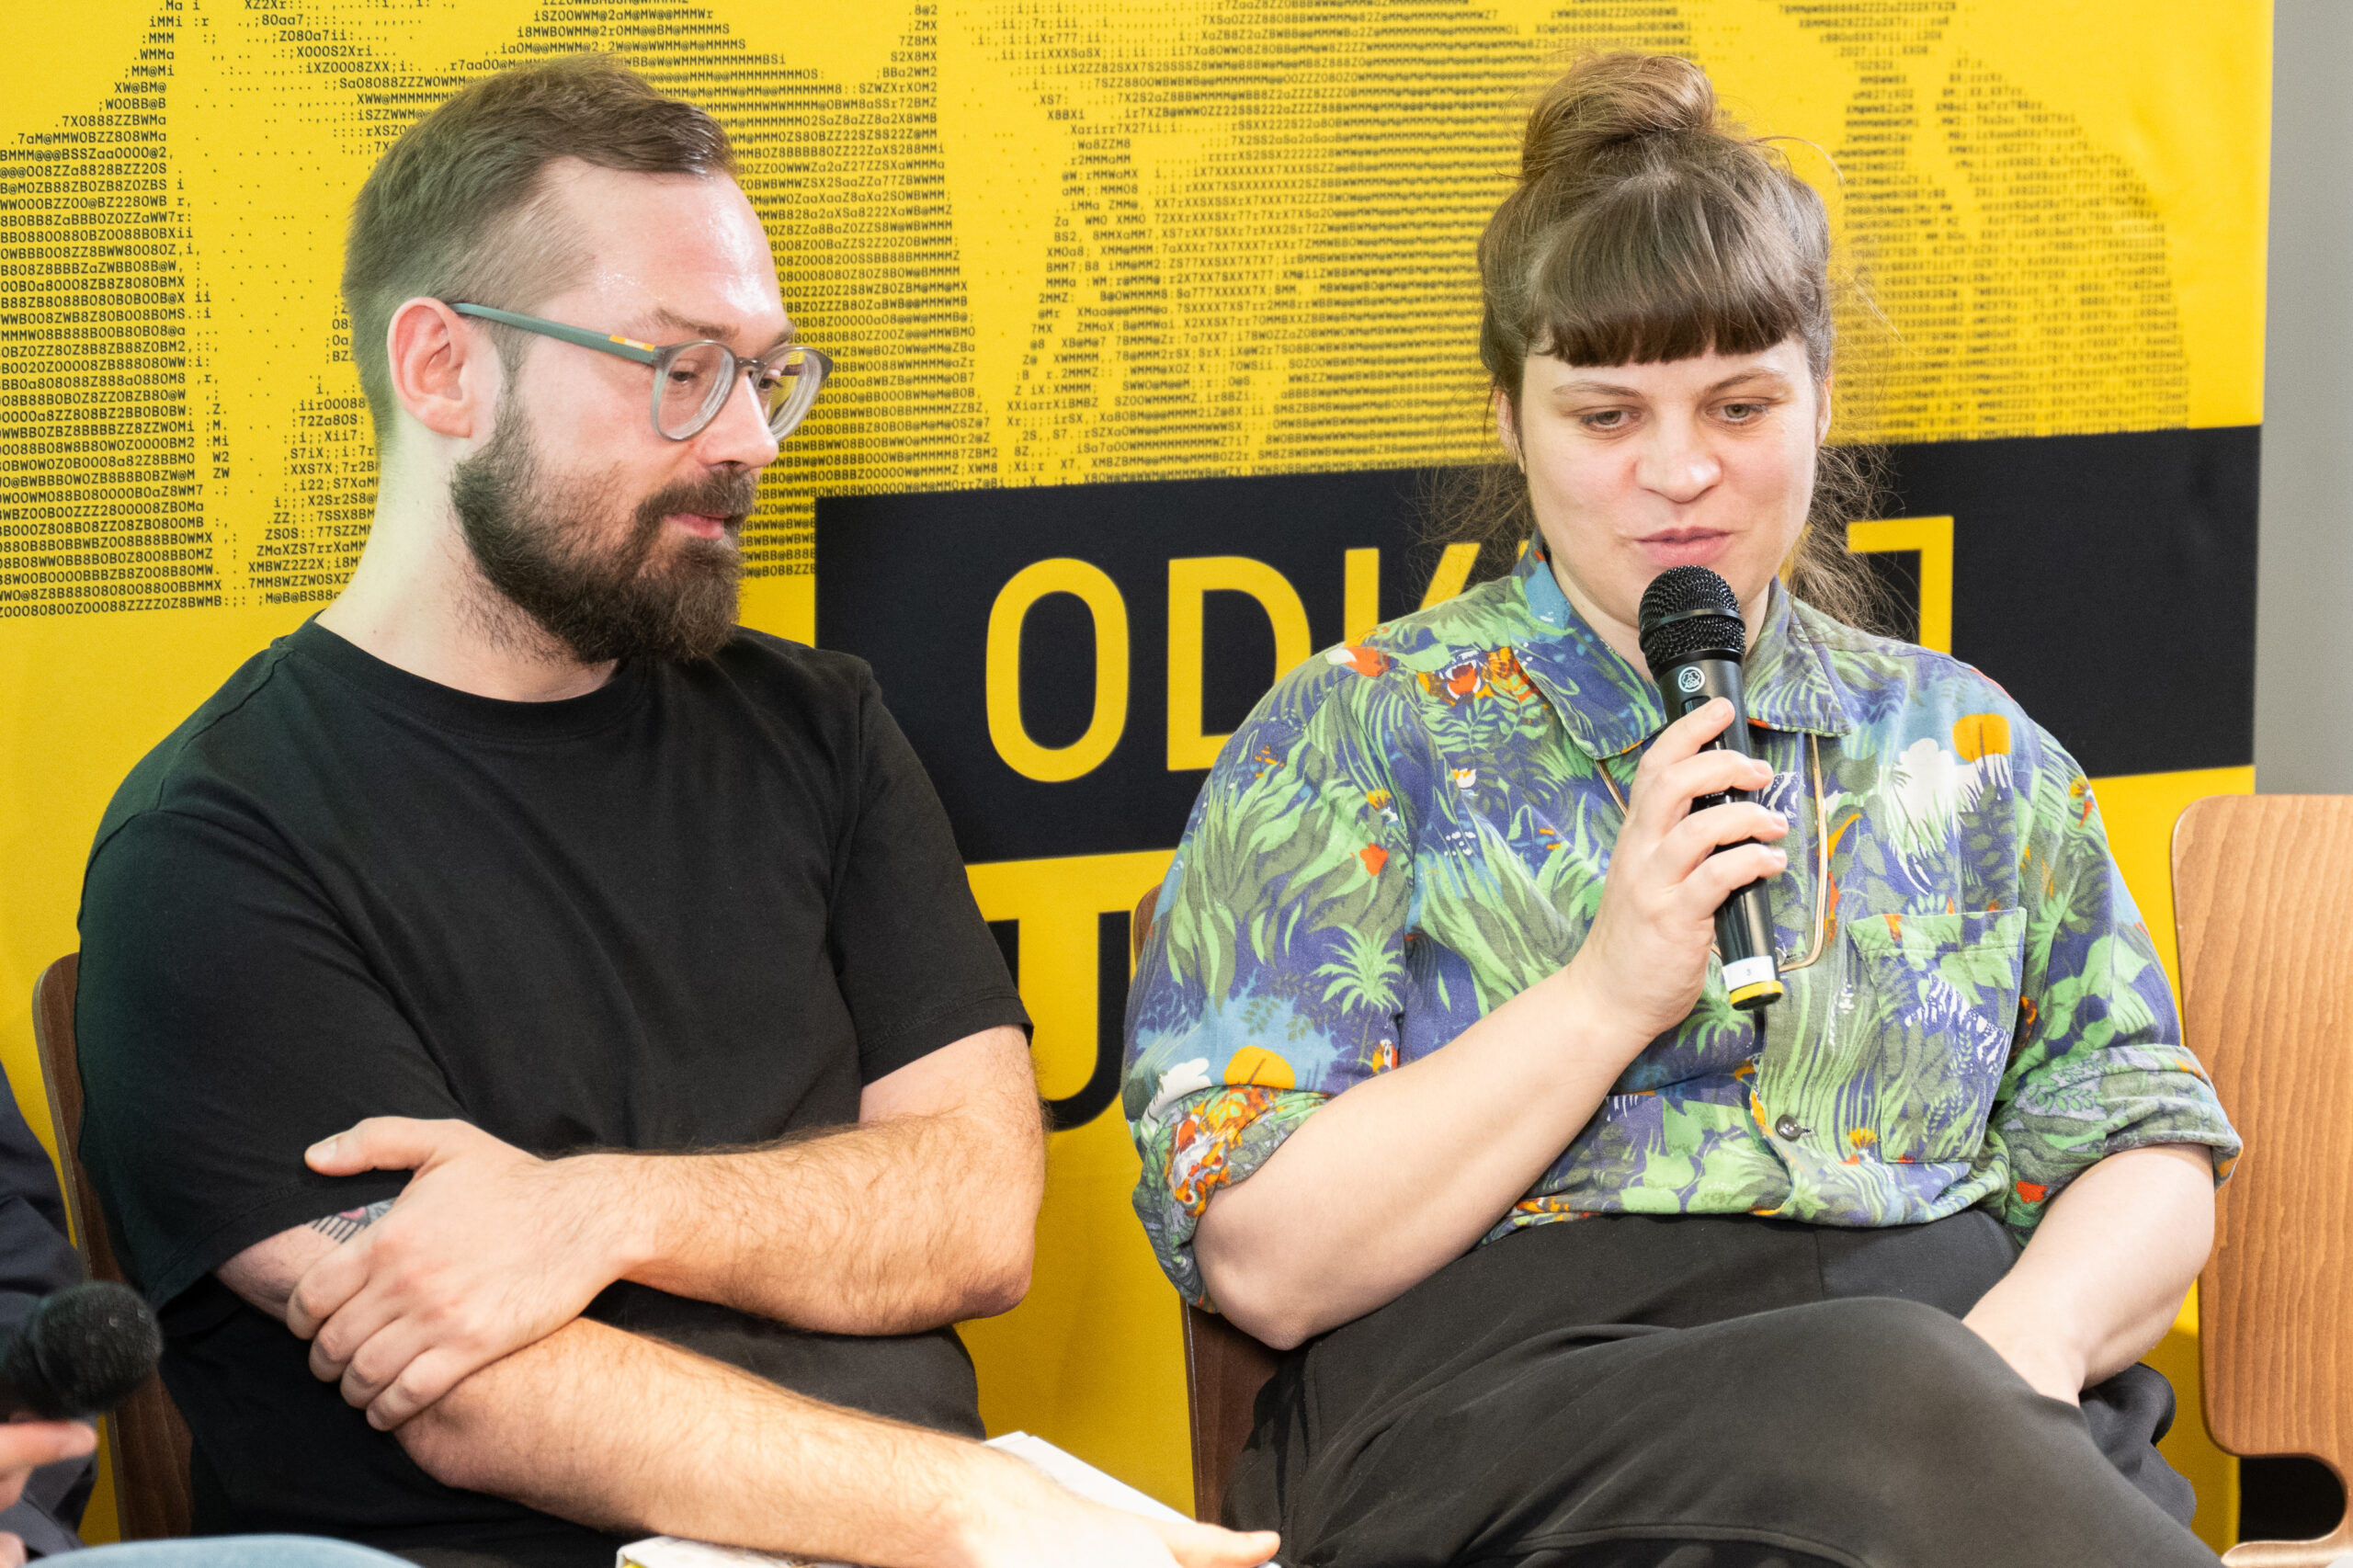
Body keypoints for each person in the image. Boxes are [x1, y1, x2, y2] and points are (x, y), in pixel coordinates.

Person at [73, 57, 1276, 1568]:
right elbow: (474, 1383)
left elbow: (976, 1212)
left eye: (764, 372)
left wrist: (600, 1212)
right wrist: (968, 1509)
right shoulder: (211, 846)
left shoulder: (819, 725)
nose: (751, 439)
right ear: (443, 369)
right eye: (680, 368)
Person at [1124, 51, 2242, 1568]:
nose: (1680, 471)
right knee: (1895, 1392)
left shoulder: (1971, 740)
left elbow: (2144, 1147)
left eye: (1739, 403)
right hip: (1511, 1415)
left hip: (1963, 1403)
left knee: (1926, 1398)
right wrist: (1606, 992)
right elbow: (1264, 1260)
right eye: (1606, 416)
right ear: (1510, 419)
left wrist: (2015, 1363)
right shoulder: (1353, 734)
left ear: (1822, 398)